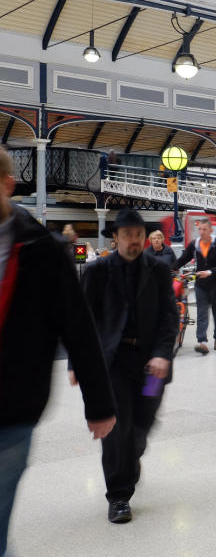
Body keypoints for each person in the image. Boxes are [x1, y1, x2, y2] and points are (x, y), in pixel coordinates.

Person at [0, 146, 116, 552]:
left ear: (8, 185)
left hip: (10, 411)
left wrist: (99, 404)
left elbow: (79, 327)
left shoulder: (44, 251)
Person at [76, 209, 177, 524]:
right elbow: (83, 322)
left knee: (141, 425)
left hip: (151, 367)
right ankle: (119, 496)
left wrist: (162, 353)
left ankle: (131, 460)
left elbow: (169, 318)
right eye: (128, 234)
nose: (134, 240)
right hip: (114, 363)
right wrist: (80, 363)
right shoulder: (97, 272)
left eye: (139, 235)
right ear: (116, 238)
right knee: (117, 430)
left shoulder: (159, 271)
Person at [172, 217, 216, 354]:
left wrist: (210, 272)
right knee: (202, 313)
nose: (202, 232)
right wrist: (172, 268)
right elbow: (183, 259)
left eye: (205, 229)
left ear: (211, 230)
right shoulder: (195, 244)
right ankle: (202, 342)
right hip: (201, 285)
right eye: (200, 229)